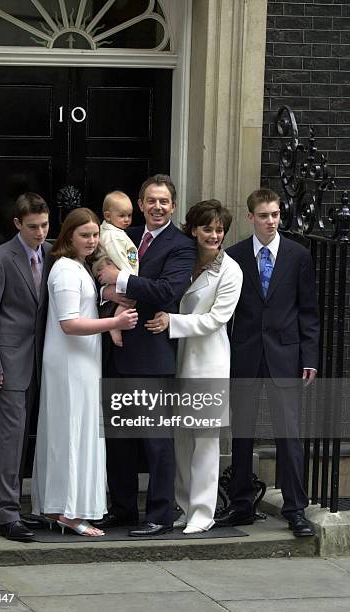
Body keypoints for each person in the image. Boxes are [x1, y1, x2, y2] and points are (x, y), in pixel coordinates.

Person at [215, 188, 320, 537]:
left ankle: (295, 509)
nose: (271, 221)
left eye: (275, 215)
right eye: (264, 215)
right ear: (250, 218)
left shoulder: (298, 255)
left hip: (285, 356)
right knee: (242, 434)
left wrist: (310, 358)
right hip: (244, 354)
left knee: (288, 436)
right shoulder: (233, 256)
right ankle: (241, 504)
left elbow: (308, 312)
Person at [96, 174, 197, 537]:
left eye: (164, 202)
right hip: (116, 351)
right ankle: (122, 509)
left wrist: (119, 281)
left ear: (173, 206)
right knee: (119, 438)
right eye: (150, 201)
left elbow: (167, 291)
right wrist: (109, 288)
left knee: (156, 440)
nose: (157, 207)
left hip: (153, 355)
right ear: (140, 205)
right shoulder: (123, 235)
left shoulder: (181, 245)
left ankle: (159, 515)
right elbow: (100, 277)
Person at [31, 207, 137, 537]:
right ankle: (68, 512)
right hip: (69, 363)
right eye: (84, 235)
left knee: (74, 432)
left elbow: (87, 299)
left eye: (95, 235)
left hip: (81, 361)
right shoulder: (64, 270)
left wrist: (108, 293)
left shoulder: (78, 267)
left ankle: (58, 507)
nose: (92, 241)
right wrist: (115, 323)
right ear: (68, 237)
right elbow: (69, 323)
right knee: (70, 433)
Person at [146, 200, 243, 533]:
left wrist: (171, 321)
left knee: (204, 439)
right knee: (181, 440)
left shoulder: (230, 270)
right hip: (175, 362)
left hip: (208, 364)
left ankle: (203, 512)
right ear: (193, 229)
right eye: (207, 228)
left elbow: (216, 319)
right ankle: (184, 506)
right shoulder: (183, 260)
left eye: (219, 230)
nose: (214, 235)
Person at [0, 192, 53, 542]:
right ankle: (8, 513)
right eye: (34, 226)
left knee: (22, 438)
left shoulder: (52, 254)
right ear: (18, 224)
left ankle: (1, 507)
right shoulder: (0, 259)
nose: (40, 232)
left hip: (39, 360)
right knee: (9, 439)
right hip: (6, 363)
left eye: (45, 225)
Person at [91, 191, 138, 347]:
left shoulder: (116, 232)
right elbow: (118, 256)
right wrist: (130, 279)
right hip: (117, 273)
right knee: (128, 299)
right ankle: (115, 326)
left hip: (119, 274)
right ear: (108, 216)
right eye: (122, 215)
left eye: (129, 215)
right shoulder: (112, 235)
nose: (127, 220)